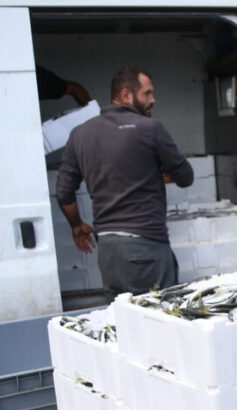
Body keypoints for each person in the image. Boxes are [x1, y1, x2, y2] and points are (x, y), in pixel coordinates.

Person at [56, 67, 194, 296]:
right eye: (147, 93)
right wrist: (153, 172)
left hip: (108, 251)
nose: (153, 100)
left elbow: (63, 193)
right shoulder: (150, 129)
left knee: (123, 321)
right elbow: (186, 177)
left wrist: (77, 225)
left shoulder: (79, 134)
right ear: (126, 95)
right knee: (159, 320)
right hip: (146, 247)